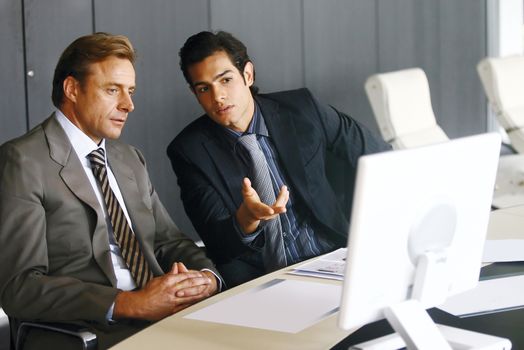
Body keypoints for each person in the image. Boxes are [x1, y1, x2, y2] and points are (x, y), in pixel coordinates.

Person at [0, 32, 220, 349]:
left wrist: (207, 278)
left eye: (130, 91)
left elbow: (169, 241)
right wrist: (130, 303)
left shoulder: (129, 159)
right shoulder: (22, 161)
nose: (128, 104)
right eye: (112, 90)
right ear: (72, 89)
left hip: (168, 317)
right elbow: (20, 288)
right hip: (91, 331)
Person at [167, 31, 391, 288]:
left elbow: (377, 155)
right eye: (204, 88)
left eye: (226, 80)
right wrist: (246, 219)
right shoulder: (189, 151)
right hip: (264, 280)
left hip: (335, 258)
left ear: (248, 75)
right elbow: (217, 243)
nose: (217, 97)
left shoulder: (303, 109)